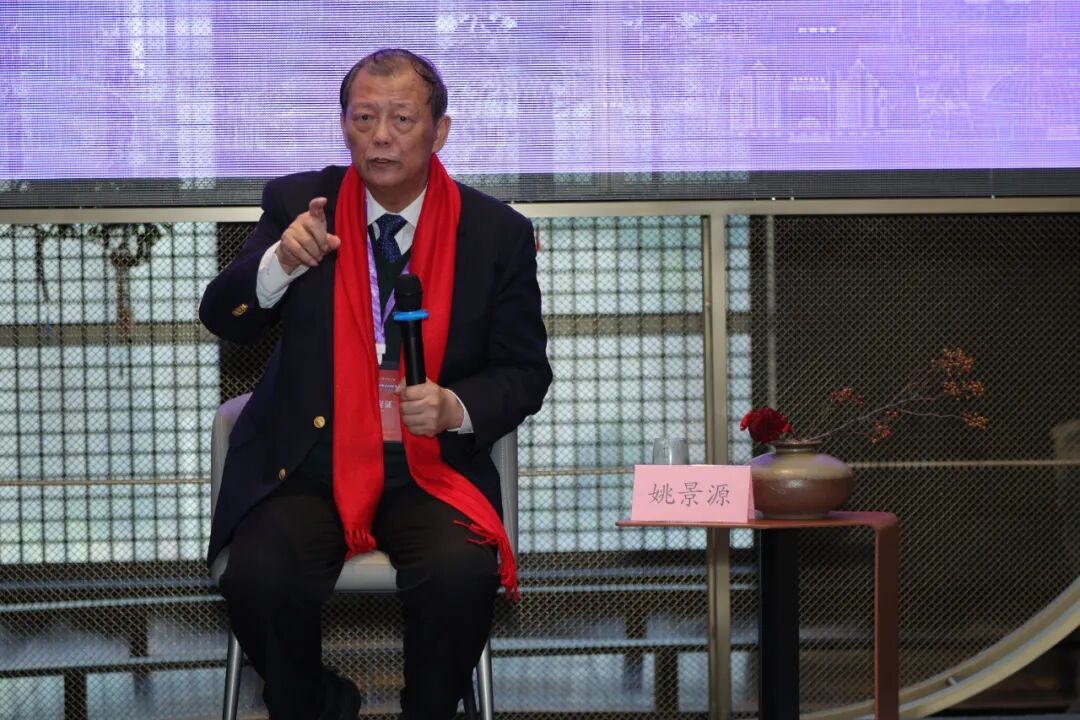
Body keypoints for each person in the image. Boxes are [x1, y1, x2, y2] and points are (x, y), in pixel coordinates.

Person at [200, 48, 552, 720]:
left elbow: (525, 372)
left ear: (439, 131)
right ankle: (318, 702)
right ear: (344, 126)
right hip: (308, 463)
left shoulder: (495, 233)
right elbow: (225, 318)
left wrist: (455, 406)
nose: (381, 136)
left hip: (430, 467)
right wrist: (279, 263)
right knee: (260, 577)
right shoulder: (300, 206)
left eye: (401, 119)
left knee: (459, 574)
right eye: (364, 118)